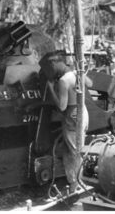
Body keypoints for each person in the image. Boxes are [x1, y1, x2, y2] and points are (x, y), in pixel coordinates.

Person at [39, 52, 92, 193]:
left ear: (53, 64)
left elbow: (62, 106)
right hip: (83, 112)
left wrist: (51, 88)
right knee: (71, 151)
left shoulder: (63, 80)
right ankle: (74, 184)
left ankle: (80, 184)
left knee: (75, 152)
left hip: (72, 115)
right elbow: (90, 83)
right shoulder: (76, 73)